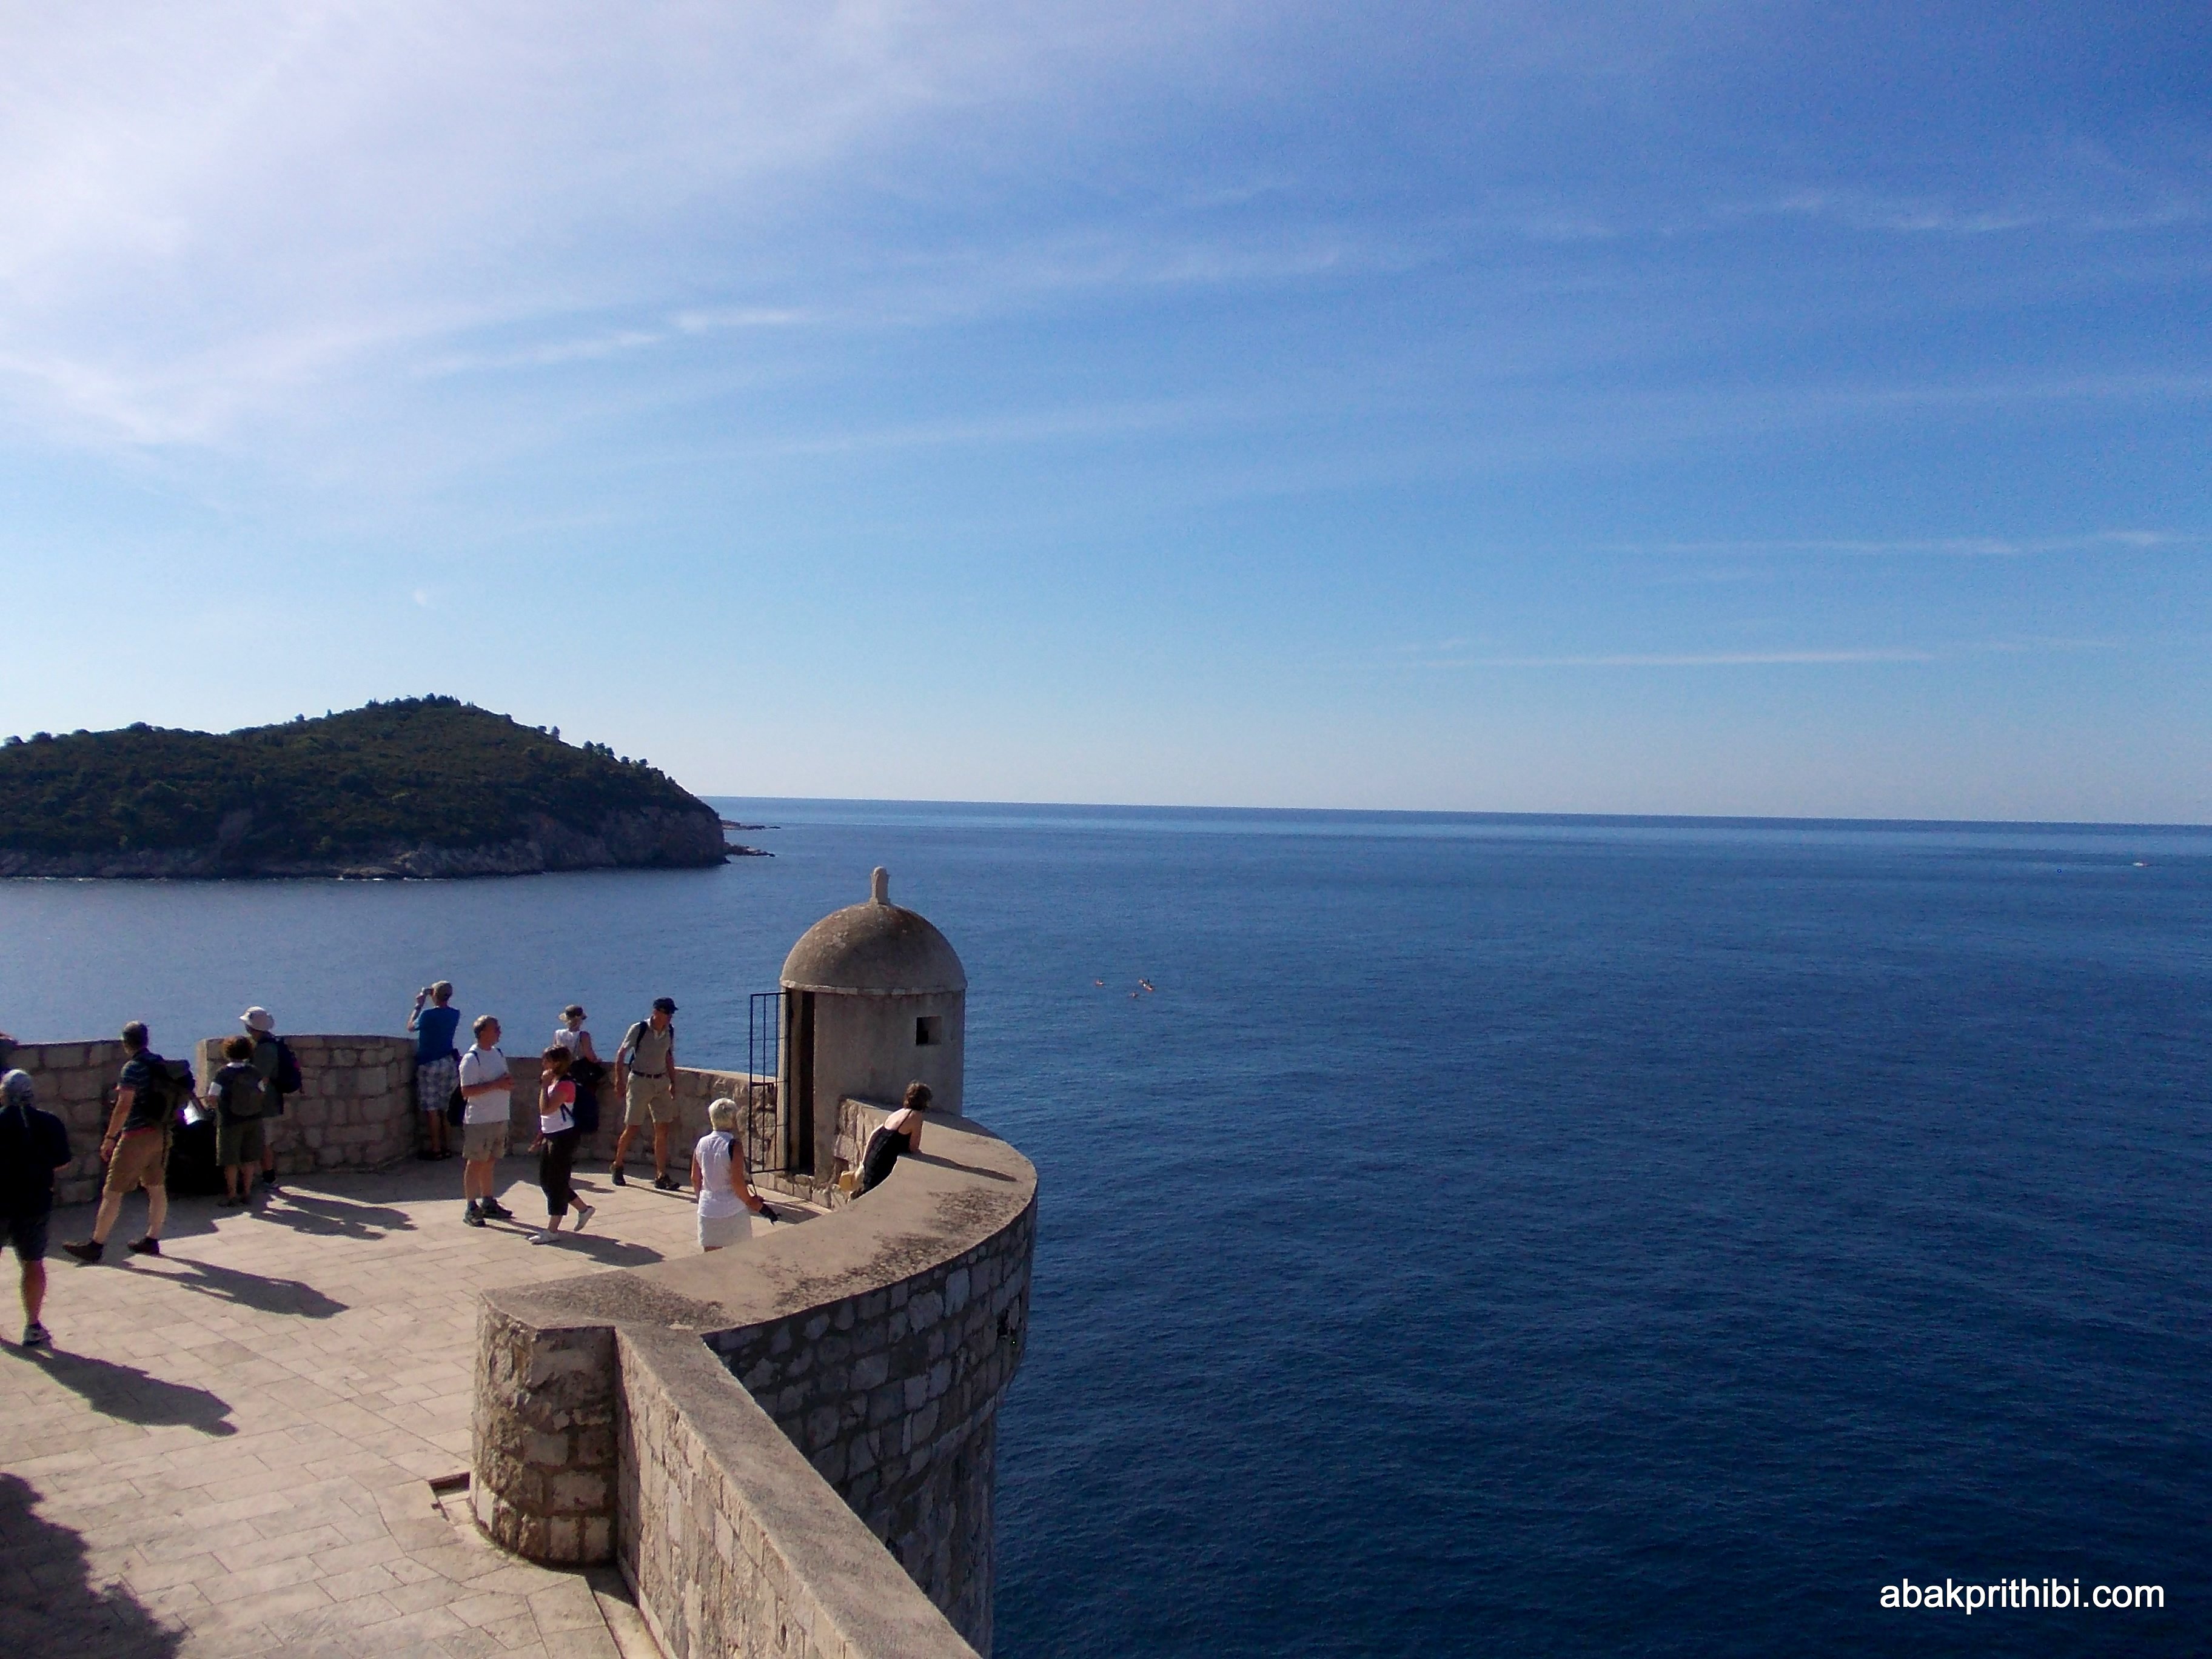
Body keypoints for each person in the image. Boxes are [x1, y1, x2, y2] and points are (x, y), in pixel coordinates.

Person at [64, 1022, 179, 1263]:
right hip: (161, 1133)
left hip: (136, 1136)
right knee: (156, 1188)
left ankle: (96, 1245)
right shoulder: (159, 1063)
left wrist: (110, 1137)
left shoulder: (133, 1068)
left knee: (112, 1191)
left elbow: (124, 1105)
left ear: (126, 1043)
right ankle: (152, 1239)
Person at [0, 1070, 72, 1349]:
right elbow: (62, 1161)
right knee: (32, 1262)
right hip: (34, 1202)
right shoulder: (49, 1122)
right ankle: (32, 1326)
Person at [611, 997, 681, 1190]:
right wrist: (619, 1081)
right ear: (656, 1012)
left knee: (663, 1128)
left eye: (671, 1013)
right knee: (632, 1126)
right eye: (667, 1012)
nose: (670, 1017)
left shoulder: (669, 1031)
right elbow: (622, 1053)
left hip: (660, 1082)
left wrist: (673, 1082)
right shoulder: (639, 1029)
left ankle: (661, 1175)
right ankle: (618, 1165)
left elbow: (668, 1057)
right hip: (640, 1081)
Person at [691, 1097, 775, 1252]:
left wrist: (702, 1199)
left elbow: (695, 1178)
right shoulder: (733, 1146)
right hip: (732, 1209)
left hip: (708, 1209)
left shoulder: (701, 1143)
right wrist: (751, 1202)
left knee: (711, 1257)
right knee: (740, 1254)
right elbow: (737, 1182)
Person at [529, 1046, 594, 1245]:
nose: (543, 1063)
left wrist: (544, 1087)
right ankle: (583, 1209)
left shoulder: (565, 1085)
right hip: (551, 1135)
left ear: (557, 1063)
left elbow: (546, 1110)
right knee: (546, 1180)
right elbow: (548, 1119)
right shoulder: (555, 1082)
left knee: (556, 1182)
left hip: (564, 1138)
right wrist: (540, 1136)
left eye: (547, 1060)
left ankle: (553, 1230)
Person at [457, 1016, 515, 1228]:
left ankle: (488, 1201)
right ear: (483, 1033)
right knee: (475, 1162)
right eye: (495, 1029)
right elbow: (466, 1091)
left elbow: (504, 1079)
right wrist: (497, 1084)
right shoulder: (472, 1059)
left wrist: (506, 1084)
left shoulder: (497, 1054)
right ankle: (471, 1206)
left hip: (499, 1116)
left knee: (490, 1161)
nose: (499, 1032)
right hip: (480, 1120)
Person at [205, 1035, 271, 1206]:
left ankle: (232, 1195)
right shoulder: (254, 1072)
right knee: (249, 1159)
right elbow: (262, 1092)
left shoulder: (223, 1074)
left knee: (230, 1161)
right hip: (253, 1119)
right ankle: (247, 1193)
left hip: (230, 1121)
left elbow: (212, 1097)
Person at [240, 1007, 299, 1190]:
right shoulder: (266, 1044)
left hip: (264, 1103)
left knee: (263, 1142)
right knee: (263, 1141)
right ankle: (266, 1176)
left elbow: (262, 1078)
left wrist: (251, 1099)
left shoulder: (265, 1048)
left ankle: (268, 1178)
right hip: (268, 1101)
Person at [409, 982, 462, 1159]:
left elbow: (411, 1027)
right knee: (445, 1108)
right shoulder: (455, 1014)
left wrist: (419, 1005)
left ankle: (436, 1150)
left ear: (434, 995)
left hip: (429, 1063)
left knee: (432, 1109)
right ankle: (448, 1148)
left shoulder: (427, 1015)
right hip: (448, 1063)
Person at [859, 1082, 933, 1194]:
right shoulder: (916, 1116)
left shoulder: (898, 1113)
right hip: (883, 1165)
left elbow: (874, 1134)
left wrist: (863, 1163)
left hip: (871, 1162)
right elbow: (913, 1147)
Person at [551, 1005, 603, 1146]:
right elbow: (590, 1055)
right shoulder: (583, 1036)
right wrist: (597, 1061)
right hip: (579, 1075)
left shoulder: (558, 1034)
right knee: (580, 1108)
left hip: (562, 1074)